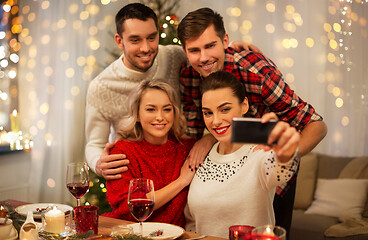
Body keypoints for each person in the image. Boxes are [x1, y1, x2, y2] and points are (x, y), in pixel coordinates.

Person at [176, 7, 327, 238]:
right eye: (194, 50)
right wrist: (207, 137)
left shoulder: (255, 70)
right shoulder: (187, 74)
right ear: (185, 52)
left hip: (270, 165)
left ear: (225, 40)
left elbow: (316, 124)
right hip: (222, 168)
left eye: (210, 46)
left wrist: (286, 154)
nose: (204, 57)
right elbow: (198, 126)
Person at [85, 3, 259, 180]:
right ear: (119, 41)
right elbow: (94, 143)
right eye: (135, 40)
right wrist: (98, 163)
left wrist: (233, 48)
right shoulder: (101, 87)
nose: (145, 48)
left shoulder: (174, 56)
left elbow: (205, 52)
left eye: (151, 38)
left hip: (179, 161)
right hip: (133, 170)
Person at [184, 71, 300, 238]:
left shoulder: (260, 154)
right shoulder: (202, 154)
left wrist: (286, 151)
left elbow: (282, 170)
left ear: (244, 105)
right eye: (208, 113)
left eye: (224, 109)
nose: (215, 121)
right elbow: (192, 222)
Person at [104, 80, 196, 228]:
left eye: (167, 109)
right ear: (137, 114)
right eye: (151, 109)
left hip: (177, 235)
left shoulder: (186, 148)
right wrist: (181, 181)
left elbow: (217, 139)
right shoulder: (122, 151)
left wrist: (208, 140)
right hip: (132, 234)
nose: (160, 117)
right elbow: (127, 210)